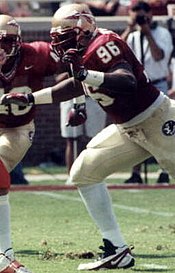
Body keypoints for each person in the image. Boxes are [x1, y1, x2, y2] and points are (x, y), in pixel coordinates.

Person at [3, 3, 175, 270]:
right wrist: (30, 98)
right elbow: (75, 86)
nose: (60, 44)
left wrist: (84, 74)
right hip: (129, 130)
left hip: (158, 120)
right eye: (57, 39)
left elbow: (126, 81)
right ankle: (116, 249)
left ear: (83, 28)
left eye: (65, 37)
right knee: (84, 171)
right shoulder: (81, 53)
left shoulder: (104, 42)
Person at [0, 14, 62, 273]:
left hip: (18, 129)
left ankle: (4, 255)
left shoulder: (36, 53)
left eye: (7, 41)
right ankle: (4, 255)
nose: (2, 48)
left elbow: (74, 68)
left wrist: (78, 102)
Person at [121, 0, 173, 184]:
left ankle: (164, 171)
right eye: (134, 11)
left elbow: (159, 56)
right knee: (136, 127)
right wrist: (130, 28)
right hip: (136, 86)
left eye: (142, 11)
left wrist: (147, 31)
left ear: (150, 14)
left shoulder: (162, 33)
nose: (139, 15)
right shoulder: (132, 36)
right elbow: (118, 51)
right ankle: (135, 173)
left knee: (162, 127)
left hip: (157, 85)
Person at [60, 97, 106, 176]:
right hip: (71, 97)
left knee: (97, 139)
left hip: (92, 97)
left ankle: (95, 175)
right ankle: (71, 176)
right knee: (72, 139)